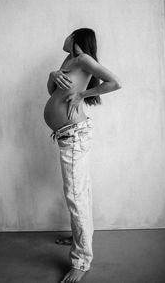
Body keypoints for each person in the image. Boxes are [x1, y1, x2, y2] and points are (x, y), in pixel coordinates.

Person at [43, 28, 122, 283]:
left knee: (76, 196)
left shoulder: (85, 59)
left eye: (69, 35)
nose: (64, 38)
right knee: (79, 193)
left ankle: (81, 261)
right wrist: (52, 74)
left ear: (76, 39)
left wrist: (83, 95)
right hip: (69, 136)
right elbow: (52, 92)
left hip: (74, 136)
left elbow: (115, 82)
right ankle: (81, 235)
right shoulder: (68, 61)